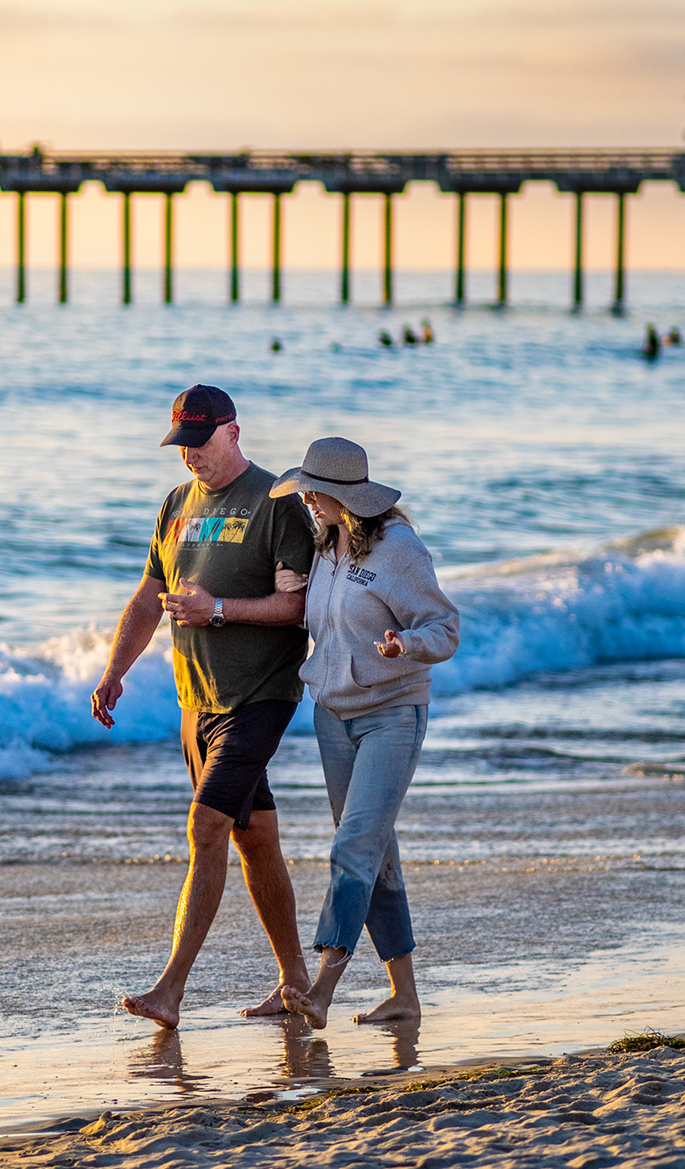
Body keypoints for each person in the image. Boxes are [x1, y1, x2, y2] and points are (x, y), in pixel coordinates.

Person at [91, 385, 315, 1029]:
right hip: (198, 701)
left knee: (206, 826)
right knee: (254, 836)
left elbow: (297, 606)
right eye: (180, 446)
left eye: (200, 443)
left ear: (233, 431)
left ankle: (170, 991)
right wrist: (115, 671)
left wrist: (217, 610)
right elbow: (146, 597)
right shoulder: (175, 505)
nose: (190, 457)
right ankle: (296, 980)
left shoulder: (277, 505)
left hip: (260, 696)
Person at [269, 437, 459, 1030]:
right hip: (333, 716)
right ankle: (405, 995)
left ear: (340, 494)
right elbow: (327, 623)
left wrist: (408, 643)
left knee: (353, 846)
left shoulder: (399, 549)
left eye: (312, 491)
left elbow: (445, 627)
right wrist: (287, 594)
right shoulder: (325, 544)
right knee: (375, 857)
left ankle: (323, 987)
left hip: (392, 714)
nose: (304, 499)